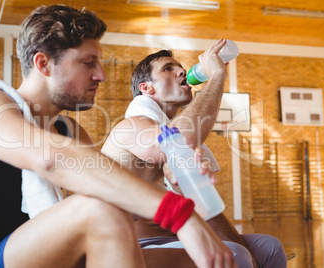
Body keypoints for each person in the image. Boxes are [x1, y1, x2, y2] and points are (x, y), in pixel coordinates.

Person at [0, 4, 237, 268]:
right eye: (89, 62)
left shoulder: (71, 130)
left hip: (39, 251)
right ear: (44, 63)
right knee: (98, 210)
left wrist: (180, 187)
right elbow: (52, 159)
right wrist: (177, 214)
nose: (101, 74)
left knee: (215, 259)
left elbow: (113, 191)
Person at [101, 49, 287, 268]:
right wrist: (217, 76)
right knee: (236, 254)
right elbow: (178, 139)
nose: (182, 70)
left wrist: (239, 247)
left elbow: (202, 207)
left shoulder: (173, 134)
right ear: (146, 88)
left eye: (180, 66)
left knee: (268, 247)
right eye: (168, 68)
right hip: (137, 243)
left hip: (179, 236)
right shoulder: (131, 127)